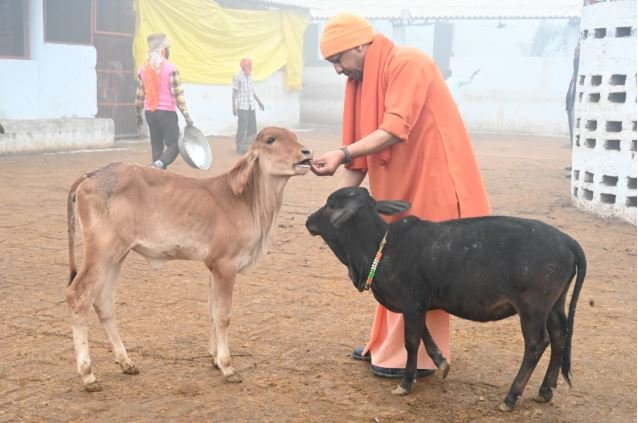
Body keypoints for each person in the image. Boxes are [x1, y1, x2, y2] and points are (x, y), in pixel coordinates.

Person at [310, 13, 491, 379]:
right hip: (396, 182)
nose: (337, 70)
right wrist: (333, 208)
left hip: (432, 175)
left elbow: (394, 127)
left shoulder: (408, 63)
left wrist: (342, 153)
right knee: (389, 260)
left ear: (360, 45)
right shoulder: (361, 82)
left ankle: (422, 355)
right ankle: (385, 342)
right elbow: (359, 159)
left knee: (425, 264)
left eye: (338, 60)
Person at [135, 33, 194, 170]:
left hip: (150, 112)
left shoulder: (143, 69)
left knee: (156, 146)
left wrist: (139, 115)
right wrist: (187, 117)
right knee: (175, 144)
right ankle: (159, 164)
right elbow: (178, 95)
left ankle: (156, 178)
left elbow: (139, 97)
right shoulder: (171, 68)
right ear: (164, 50)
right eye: (167, 48)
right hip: (166, 113)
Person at [232, 58, 264, 154]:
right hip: (242, 106)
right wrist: (233, 106)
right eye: (248, 66)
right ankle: (239, 145)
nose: (250, 68)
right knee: (242, 127)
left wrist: (259, 102)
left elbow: (252, 92)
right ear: (244, 67)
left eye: (250, 66)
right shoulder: (238, 76)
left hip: (251, 106)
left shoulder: (250, 76)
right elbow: (234, 92)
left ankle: (251, 146)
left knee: (252, 128)